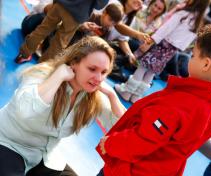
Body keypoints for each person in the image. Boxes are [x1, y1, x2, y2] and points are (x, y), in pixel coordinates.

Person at [96, 23, 211, 176]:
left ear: (206, 64)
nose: (191, 58)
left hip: (132, 170)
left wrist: (111, 144)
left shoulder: (181, 103)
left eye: (194, 55)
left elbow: (143, 139)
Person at [0, 36, 126, 175]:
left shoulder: (93, 96)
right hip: (9, 143)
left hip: (44, 156)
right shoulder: (42, 75)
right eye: (92, 69)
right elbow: (25, 110)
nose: (98, 79)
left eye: (103, 72)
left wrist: (113, 97)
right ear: (74, 63)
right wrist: (58, 76)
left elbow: (125, 130)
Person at [115, 0, 210, 103]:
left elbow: (165, 28)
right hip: (171, 50)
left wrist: (150, 42)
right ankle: (136, 95)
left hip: (162, 44)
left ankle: (127, 92)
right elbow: (186, 42)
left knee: (143, 67)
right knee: (151, 72)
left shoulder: (183, 14)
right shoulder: (198, 21)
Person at [14, 0, 109, 63]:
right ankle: (41, 68)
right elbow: (99, 5)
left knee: (42, 29)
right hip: (77, 14)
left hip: (62, 3)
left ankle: (23, 54)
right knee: (59, 42)